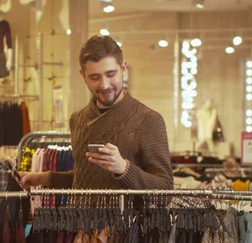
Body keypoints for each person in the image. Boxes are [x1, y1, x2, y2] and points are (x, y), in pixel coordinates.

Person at [20, 35, 173, 191]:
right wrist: (44, 178)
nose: (104, 85)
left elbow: (165, 187)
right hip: (79, 214)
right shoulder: (77, 119)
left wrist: (124, 168)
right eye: (95, 77)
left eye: (111, 74)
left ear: (123, 69)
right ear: (83, 76)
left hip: (124, 215)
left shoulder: (149, 120)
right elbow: (86, 180)